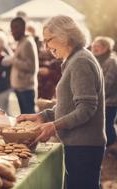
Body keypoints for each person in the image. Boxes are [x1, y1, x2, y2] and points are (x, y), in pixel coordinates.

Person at [18, 15, 106, 189]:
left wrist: (54, 126)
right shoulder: (75, 58)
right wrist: (43, 116)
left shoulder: (80, 61)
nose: (46, 47)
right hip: (81, 146)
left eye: (48, 40)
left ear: (64, 35)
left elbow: (86, 109)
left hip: (84, 147)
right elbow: (71, 104)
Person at [6, 17, 39, 114]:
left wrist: (13, 60)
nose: (12, 31)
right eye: (11, 28)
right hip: (21, 88)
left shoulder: (27, 43)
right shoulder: (22, 41)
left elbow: (31, 67)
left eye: (15, 28)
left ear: (22, 28)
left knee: (29, 119)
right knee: (24, 119)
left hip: (26, 89)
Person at [91, 36, 117, 147]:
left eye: (98, 46)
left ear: (106, 47)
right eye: (93, 45)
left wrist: (94, 95)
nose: (94, 48)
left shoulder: (111, 60)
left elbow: (108, 84)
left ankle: (111, 146)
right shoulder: (98, 59)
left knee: (107, 125)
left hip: (109, 101)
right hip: (101, 99)